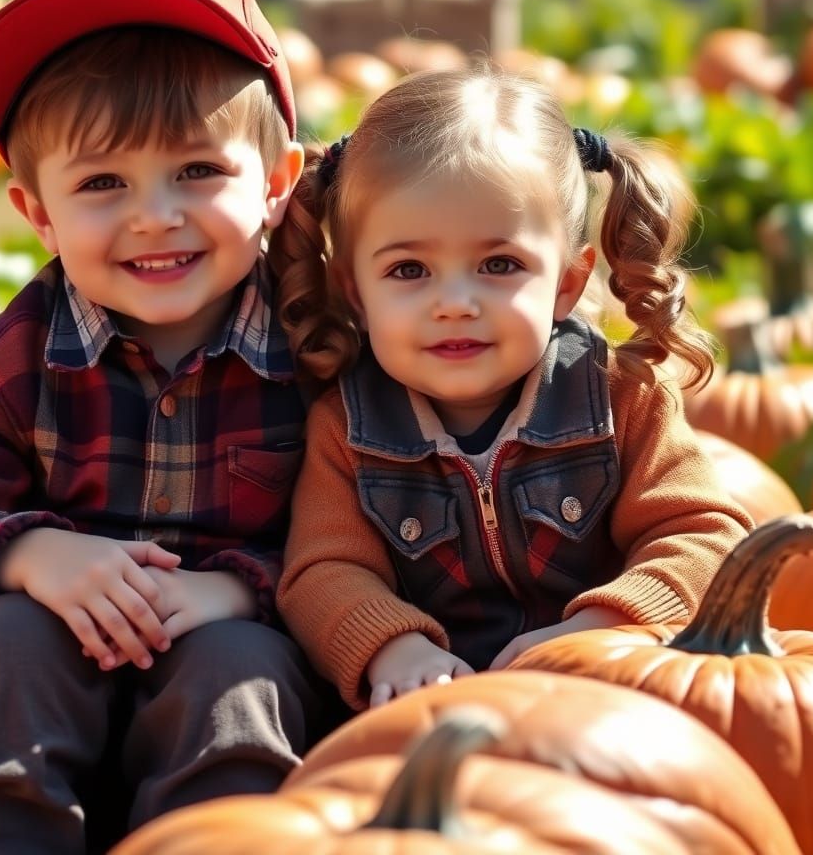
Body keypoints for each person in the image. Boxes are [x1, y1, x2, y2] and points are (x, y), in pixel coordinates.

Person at [0, 0, 327, 855]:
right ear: (37, 212)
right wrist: (30, 555)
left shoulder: (326, 355)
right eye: (102, 183)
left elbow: (370, 546)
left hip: (231, 672)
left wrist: (239, 594)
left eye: (198, 171)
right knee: (3, 643)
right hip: (37, 690)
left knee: (238, 674)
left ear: (276, 184)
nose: (154, 214)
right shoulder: (4, 365)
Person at [271, 66, 754, 712]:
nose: (454, 303)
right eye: (408, 269)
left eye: (499, 265)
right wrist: (393, 646)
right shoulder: (348, 428)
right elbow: (324, 571)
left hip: (607, 702)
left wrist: (603, 630)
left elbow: (704, 534)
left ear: (566, 283)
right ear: (356, 292)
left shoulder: (621, 398)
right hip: (428, 709)